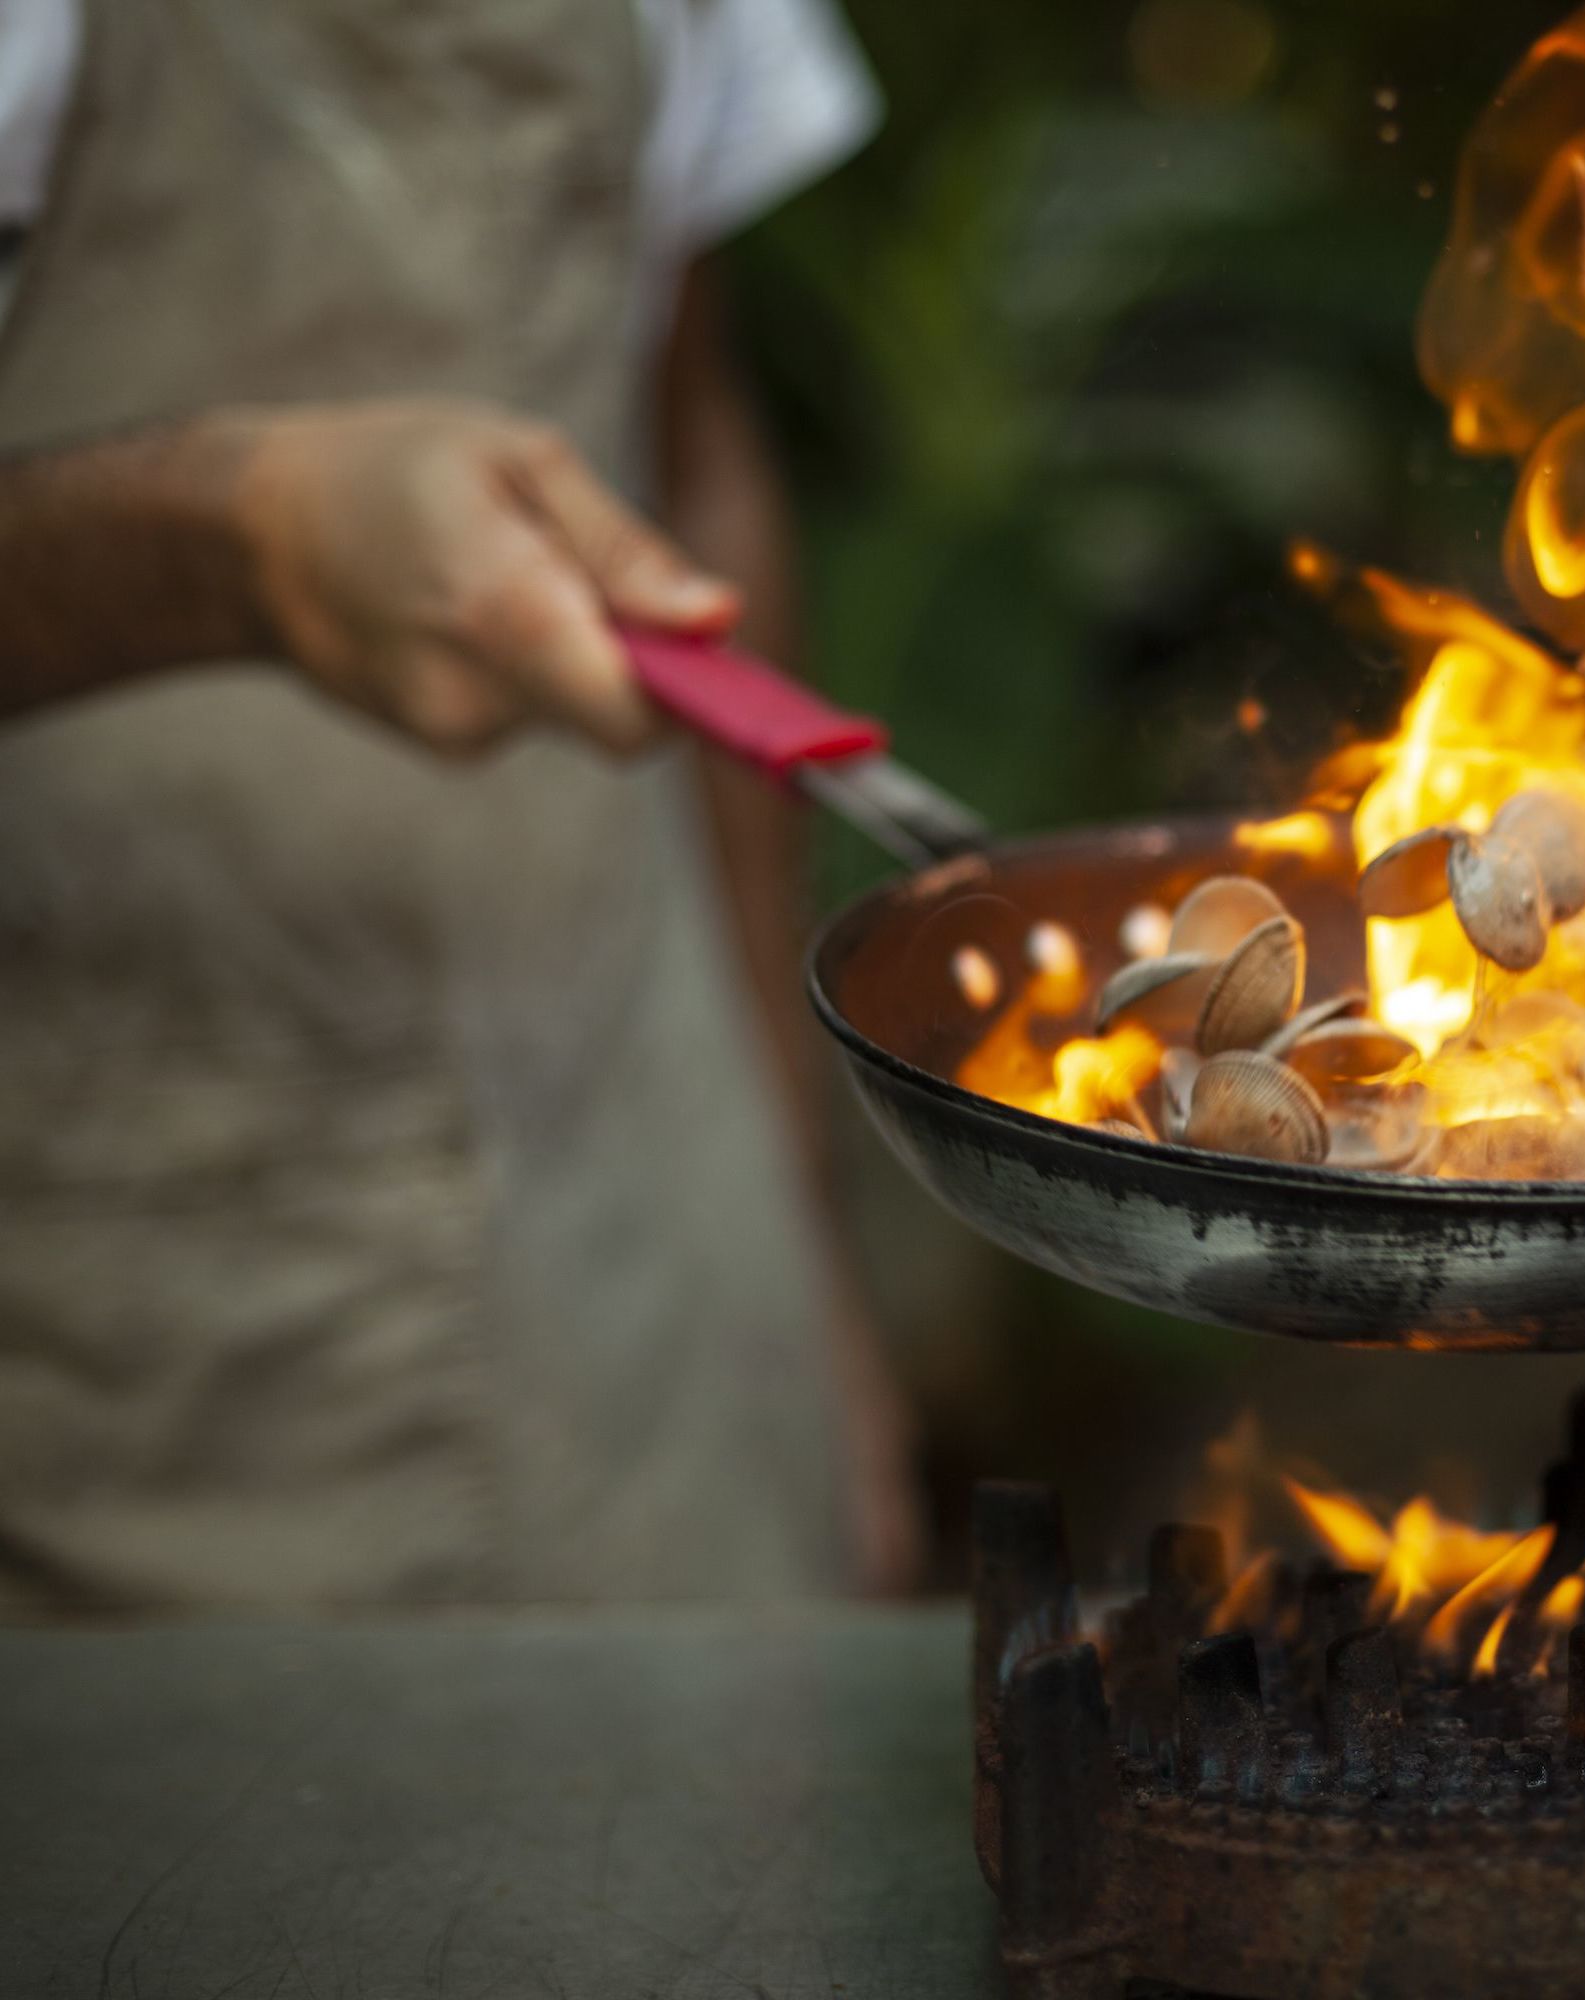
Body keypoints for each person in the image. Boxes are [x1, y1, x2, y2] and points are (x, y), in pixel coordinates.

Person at [0, 0, 920, 1609]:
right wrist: (240, 543)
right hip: (157, 1322)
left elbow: (695, 444)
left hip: (654, 1224)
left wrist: (797, 1255)